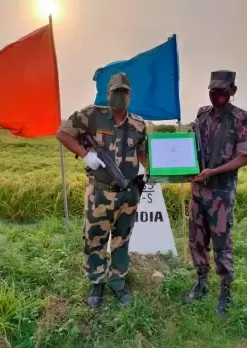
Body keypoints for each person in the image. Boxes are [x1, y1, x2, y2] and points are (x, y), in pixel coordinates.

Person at [56, 73, 147, 307]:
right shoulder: (91, 115)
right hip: (100, 194)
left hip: (128, 195)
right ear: (108, 94)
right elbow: (62, 133)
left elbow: (142, 153)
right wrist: (87, 155)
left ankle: (118, 283)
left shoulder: (138, 124)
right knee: (95, 239)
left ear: (130, 96)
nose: (120, 96)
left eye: (124, 92)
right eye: (116, 92)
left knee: (121, 240)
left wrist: (150, 171)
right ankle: (96, 283)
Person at [185, 70, 247, 316]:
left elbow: (244, 157)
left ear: (232, 91)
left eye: (223, 90)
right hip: (198, 190)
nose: (218, 95)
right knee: (196, 239)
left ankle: (225, 291)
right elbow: (192, 147)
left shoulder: (241, 119)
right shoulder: (202, 115)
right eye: (214, 90)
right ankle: (201, 282)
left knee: (222, 242)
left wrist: (212, 172)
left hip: (221, 193)